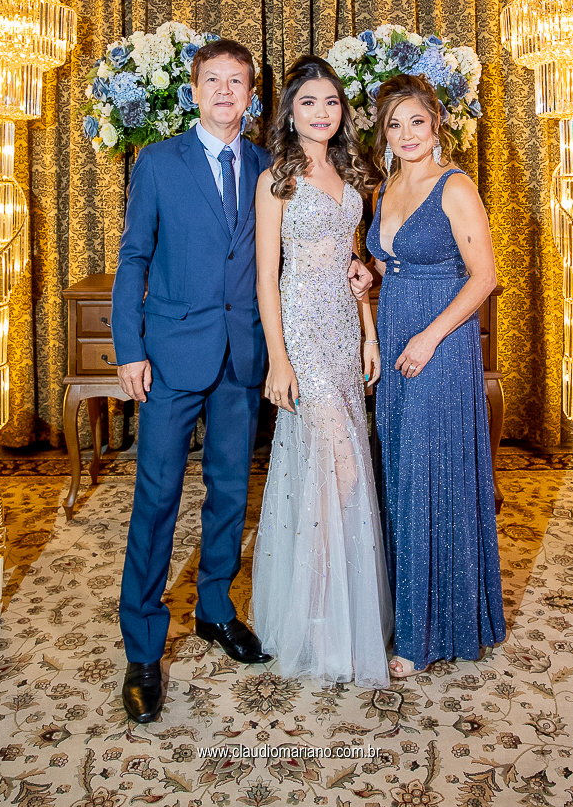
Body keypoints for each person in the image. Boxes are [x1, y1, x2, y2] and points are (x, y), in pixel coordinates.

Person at [111, 39, 373, 723]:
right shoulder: (158, 162)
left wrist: (355, 268)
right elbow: (133, 257)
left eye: (237, 81)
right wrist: (129, 349)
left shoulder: (270, 165)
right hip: (171, 356)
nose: (225, 91)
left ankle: (215, 609)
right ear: (195, 90)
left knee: (230, 492)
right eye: (213, 80)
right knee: (157, 498)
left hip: (243, 355)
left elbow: (296, 251)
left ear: (253, 96)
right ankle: (143, 649)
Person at [251, 55, 393, 687]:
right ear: (290, 112)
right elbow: (266, 277)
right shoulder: (276, 179)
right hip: (302, 333)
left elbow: (354, 261)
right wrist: (278, 359)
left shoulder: (350, 172)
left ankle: (335, 614)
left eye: (331, 102)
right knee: (339, 464)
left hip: (343, 330)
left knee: (336, 469)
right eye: (308, 102)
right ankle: (313, 614)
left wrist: (369, 333)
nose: (321, 112)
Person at [365, 73, 505, 676]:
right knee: (400, 472)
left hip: (439, 344)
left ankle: (424, 636)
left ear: (436, 124)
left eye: (416, 122)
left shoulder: (456, 186)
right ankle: (412, 613)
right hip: (397, 334)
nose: (406, 134)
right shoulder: (388, 186)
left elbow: (484, 276)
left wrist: (428, 337)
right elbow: (391, 261)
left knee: (430, 475)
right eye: (394, 124)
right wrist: (368, 275)